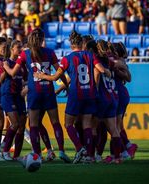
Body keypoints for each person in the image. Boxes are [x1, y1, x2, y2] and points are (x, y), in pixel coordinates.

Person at [34, 30, 111, 164]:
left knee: (68, 124)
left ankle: (80, 148)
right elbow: (102, 70)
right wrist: (109, 72)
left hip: (76, 94)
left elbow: (55, 77)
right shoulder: (90, 55)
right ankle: (88, 156)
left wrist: (41, 76)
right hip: (90, 94)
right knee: (87, 125)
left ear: (71, 45)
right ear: (81, 43)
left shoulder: (67, 58)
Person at [3, 28, 71, 163]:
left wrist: (5, 65)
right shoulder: (50, 52)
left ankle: (38, 154)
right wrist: (67, 87)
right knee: (55, 123)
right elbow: (60, 72)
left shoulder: (24, 54)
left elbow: (12, 73)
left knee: (33, 124)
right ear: (42, 39)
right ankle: (61, 151)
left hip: (34, 93)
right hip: (48, 92)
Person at [0, 39, 27, 160]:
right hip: (8, 95)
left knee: (21, 126)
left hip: (19, 96)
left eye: (21, 47)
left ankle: (16, 155)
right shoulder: (6, 62)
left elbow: (26, 80)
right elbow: (0, 80)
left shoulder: (22, 64)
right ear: (12, 49)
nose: (20, 50)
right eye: (18, 47)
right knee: (15, 124)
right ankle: (5, 150)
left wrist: (26, 87)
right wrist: (5, 70)